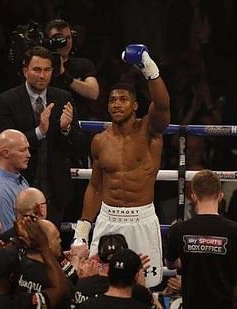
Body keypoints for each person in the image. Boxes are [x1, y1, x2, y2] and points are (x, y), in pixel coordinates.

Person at [73, 44, 170, 288]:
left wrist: (148, 67)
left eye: (123, 99)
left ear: (135, 106)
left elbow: (162, 105)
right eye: (113, 100)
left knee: (144, 290)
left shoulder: (150, 132)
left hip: (142, 219)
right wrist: (81, 232)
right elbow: (95, 187)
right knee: (100, 286)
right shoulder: (100, 141)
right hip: (108, 218)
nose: (117, 104)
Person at [0, 46, 84, 227]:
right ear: (25, 71)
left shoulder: (63, 98)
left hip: (55, 191)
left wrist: (66, 129)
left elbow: (79, 145)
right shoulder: (7, 101)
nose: (42, 76)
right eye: (36, 70)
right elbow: (6, 147)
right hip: (19, 187)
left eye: (47, 70)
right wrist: (40, 132)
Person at [166, 169, 237, 309]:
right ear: (220, 196)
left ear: (193, 197)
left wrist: (193, 253)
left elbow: (170, 264)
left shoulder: (178, 230)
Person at [0, 216, 71, 309]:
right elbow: (60, 290)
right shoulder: (18, 304)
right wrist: (43, 246)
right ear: (13, 277)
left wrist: (15, 242)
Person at [45, 18, 100, 120]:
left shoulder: (83, 64)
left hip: (77, 123)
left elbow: (93, 93)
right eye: (59, 38)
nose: (65, 42)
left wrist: (64, 75)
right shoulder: (40, 68)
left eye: (68, 37)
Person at [0, 129, 30, 231]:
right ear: (6, 153)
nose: (28, 155)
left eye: (28, 149)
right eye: (22, 150)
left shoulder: (18, 177)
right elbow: (7, 238)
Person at [80, 248, 151, 309]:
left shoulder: (86, 306)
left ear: (109, 272)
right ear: (136, 276)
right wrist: (143, 289)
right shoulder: (143, 306)